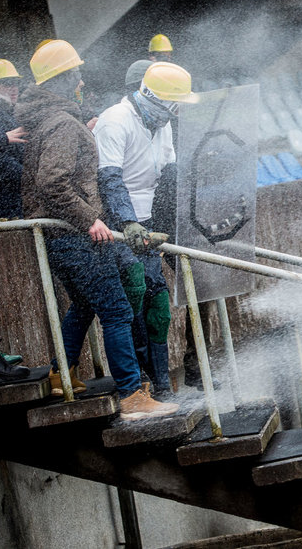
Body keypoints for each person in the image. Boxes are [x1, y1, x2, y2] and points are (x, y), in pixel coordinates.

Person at [16, 39, 178, 420]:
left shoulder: (55, 120)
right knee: (119, 311)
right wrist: (90, 219)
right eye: (76, 72)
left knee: (86, 305)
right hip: (74, 239)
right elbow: (52, 183)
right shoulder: (61, 125)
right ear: (63, 78)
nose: (82, 79)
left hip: (62, 239)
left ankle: (61, 373)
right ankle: (131, 395)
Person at [94, 61, 197, 397]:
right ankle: (144, 381)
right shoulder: (115, 121)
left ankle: (164, 384)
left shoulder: (161, 125)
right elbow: (109, 179)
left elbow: (169, 172)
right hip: (116, 223)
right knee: (135, 291)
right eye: (175, 104)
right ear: (158, 100)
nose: (177, 112)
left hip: (147, 222)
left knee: (159, 304)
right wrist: (128, 222)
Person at [0, 59, 27, 219]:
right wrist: (27, 176)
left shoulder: (8, 111)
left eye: (16, 83)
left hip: (9, 198)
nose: (14, 88)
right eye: (7, 83)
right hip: (4, 201)